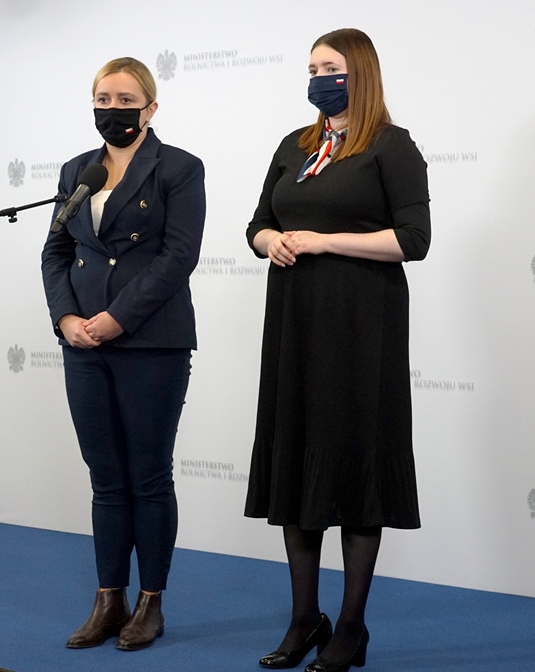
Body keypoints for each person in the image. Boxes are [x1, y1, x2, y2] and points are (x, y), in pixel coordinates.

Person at [243, 29, 430, 672]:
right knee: (297, 460)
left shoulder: (391, 145)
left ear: (360, 74)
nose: (318, 78)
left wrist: (324, 241)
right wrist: (270, 240)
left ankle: (350, 626)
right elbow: (257, 223)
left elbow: (413, 240)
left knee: (354, 462)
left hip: (361, 328)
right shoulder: (295, 145)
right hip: (294, 323)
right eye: (312, 67)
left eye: (331, 68)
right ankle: (305, 619)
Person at [40, 56, 205, 652]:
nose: (113, 109)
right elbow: (55, 252)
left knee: (148, 476)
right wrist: (67, 318)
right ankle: (108, 599)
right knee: (105, 478)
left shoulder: (179, 168)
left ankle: (150, 603)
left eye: (126, 100)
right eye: (103, 99)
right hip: (83, 343)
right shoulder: (77, 171)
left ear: (150, 108)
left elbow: (178, 256)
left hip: (150, 341)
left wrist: (116, 318)